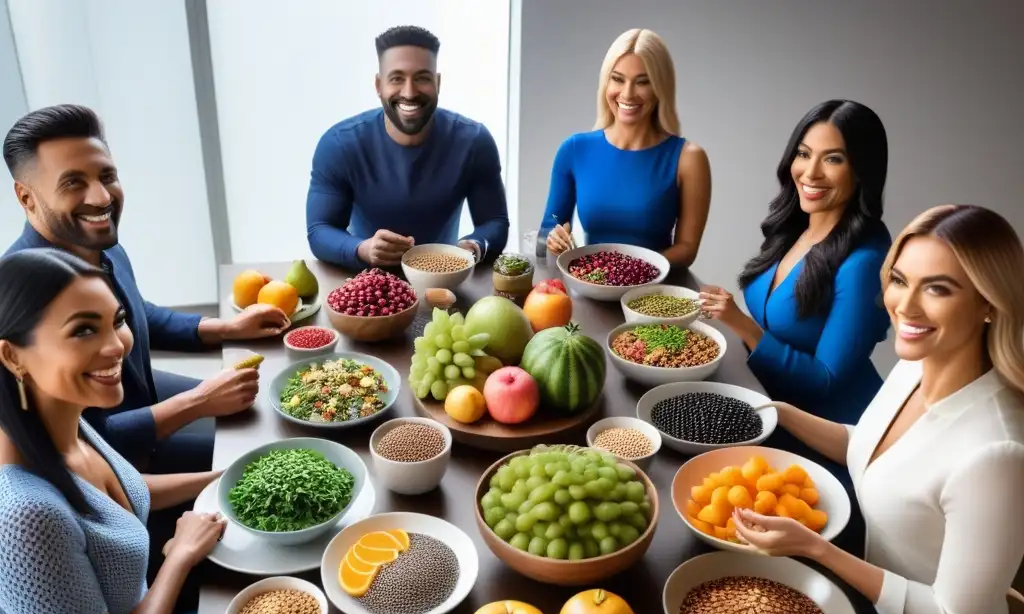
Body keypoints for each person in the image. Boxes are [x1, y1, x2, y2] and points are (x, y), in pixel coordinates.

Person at [677, 204, 1024, 614]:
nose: (904, 306)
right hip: (871, 605)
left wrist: (814, 548)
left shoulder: (998, 450)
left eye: (937, 289)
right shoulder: (919, 365)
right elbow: (864, 444)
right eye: (901, 280)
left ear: (988, 303)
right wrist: (778, 411)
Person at [0, 248, 226, 614]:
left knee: (273, 605)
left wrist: (226, 475)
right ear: (13, 356)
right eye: (83, 330)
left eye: (117, 321)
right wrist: (179, 558)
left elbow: (118, 491)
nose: (116, 346)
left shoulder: (63, 416)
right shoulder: (22, 515)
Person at [2, 104, 289, 474]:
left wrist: (225, 328)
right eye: (73, 182)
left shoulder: (99, 242)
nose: (102, 198)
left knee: (265, 410)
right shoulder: (20, 297)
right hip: (118, 472)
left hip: (139, 402)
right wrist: (198, 401)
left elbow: (135, 310)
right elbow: (80, 444)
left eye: (107, 176)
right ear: (26, 198)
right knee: (266, 455)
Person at [700, 100, 891, 426]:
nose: (810, 172)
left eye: (833, 159)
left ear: (862, 170)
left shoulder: (864, 264)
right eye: (803, 154)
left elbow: (826, 380)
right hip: (769, 405)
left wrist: (743, 325)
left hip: (832, 431)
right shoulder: (794, 228)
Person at [306, 25, 509, 270]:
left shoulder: (474, 142)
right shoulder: (339, 144)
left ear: (438, 83)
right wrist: (362, 248)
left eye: (422, 78)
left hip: (444, 283)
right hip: (365, 283)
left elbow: (495, 222)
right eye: (397, 78)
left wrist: (473, 247)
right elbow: (319, 231)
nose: (409, 92)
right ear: (379, 85)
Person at [541, 28, 711, 268]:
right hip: (592, 287)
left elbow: (687, 249)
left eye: (643, 82)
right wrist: (554, 239)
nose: (628, 94)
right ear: (605, 82)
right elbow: (548, 229)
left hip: (652, 297)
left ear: (660, 87)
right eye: (618, 79)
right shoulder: (574, 149)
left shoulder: (689, 158)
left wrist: (629, 272)